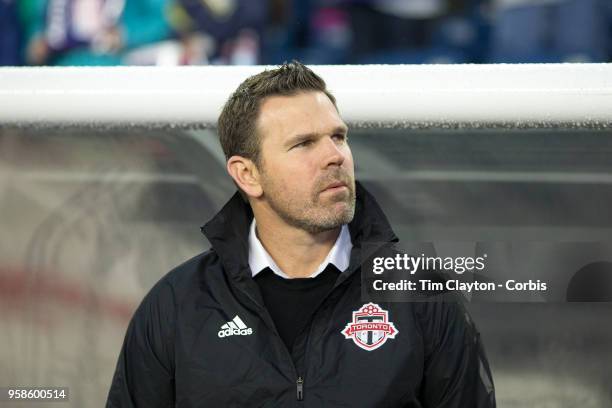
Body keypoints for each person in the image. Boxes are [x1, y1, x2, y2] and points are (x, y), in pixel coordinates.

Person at [106, 61, 496, 407]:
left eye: (338, 136)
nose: (335, 156)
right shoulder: (176, 305)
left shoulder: (423, 296)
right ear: (248, 175)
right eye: (304, 143)